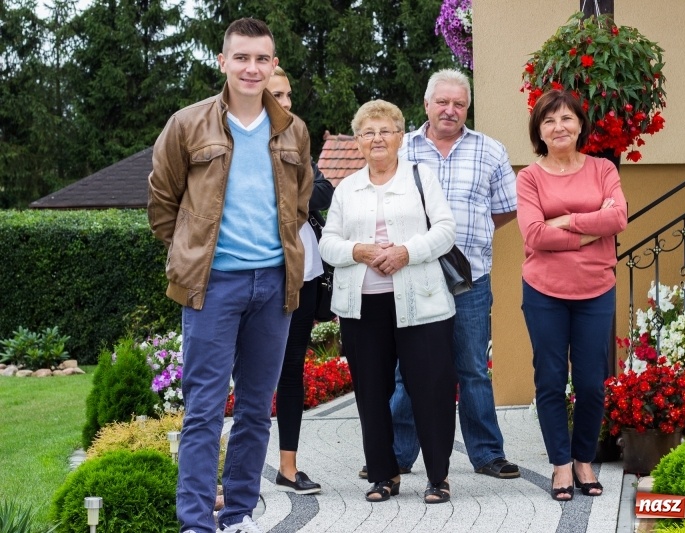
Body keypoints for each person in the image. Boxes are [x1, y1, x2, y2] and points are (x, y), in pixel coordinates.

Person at [147, 18, 313, 533]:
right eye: (241, 57)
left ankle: (238, 516)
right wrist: (192, 252)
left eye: (262, 58)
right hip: (212, 287)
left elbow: (301, 202)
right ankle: (196, 523)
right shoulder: (187, 124)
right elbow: (161, 201)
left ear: (274, 64)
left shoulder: (294, 130)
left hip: (275, 286)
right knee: (202, 412)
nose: (251, 68)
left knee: (255, 410)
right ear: (223, 61)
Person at [319, 99, 458, 504]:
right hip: (364, 306)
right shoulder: (347, 188)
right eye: (368, 132)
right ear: (358, 142)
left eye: (385, 130)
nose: (377, 138)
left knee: (430, 389)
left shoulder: (422, 177)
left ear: (401, 136)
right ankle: (383, 475)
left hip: (422, 303)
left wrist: (406, 252)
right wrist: (358, 250)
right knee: (371, 392)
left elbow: (446, 230)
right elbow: (328, 243)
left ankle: (438, 476)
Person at [388, 68, 520, 480]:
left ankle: (486, 454)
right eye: (442, 102)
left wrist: (471, 237)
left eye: (459, 104)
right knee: (408, 369)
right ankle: (396, 455)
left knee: (473, 368)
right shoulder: (401, 148)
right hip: (413, 276)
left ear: (467, 107)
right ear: (426, 105)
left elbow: (506, 208)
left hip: (471, 278)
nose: (450, 110)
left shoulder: (490, 151)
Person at [516, 90, 628, 501]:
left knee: (591, 384)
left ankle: (584, 460)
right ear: (539, 131)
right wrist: (590, 232)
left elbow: (619, 217)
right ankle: (561, 466)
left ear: (581, 124)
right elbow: (533, 234)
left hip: (596, 290)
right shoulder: (529, 177)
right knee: (549, 379)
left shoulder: (602, 168)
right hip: (545, 291)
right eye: (549, 121)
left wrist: (565, 220)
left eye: (566, 119)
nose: (558, 127)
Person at [267, 66, 334, 495]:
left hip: (306, 273)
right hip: (261, 272)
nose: (287, 103)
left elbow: (326, 193)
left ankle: (288, 468)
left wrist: (295, 185)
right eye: (279, 95)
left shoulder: (298, 141)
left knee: (292, 369)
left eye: (288, 94)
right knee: (251, 373)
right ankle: (233, 470)